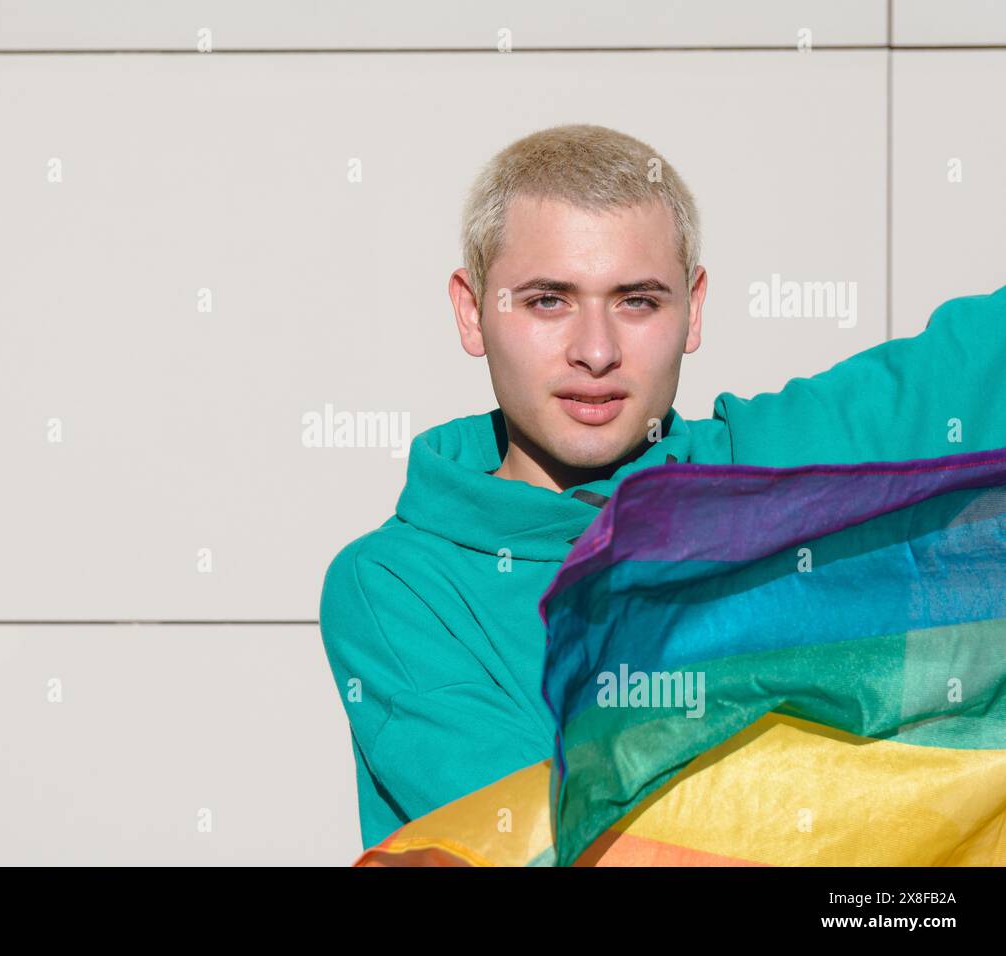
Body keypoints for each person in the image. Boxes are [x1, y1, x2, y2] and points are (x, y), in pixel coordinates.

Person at [318, 122, 1006, 850]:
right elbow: (555, 839)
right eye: (549, 300)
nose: (595, 351)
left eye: (637, 301)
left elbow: (973, 365)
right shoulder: (396, 585)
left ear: (694, 308)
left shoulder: (759, 472)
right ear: (473, 310)